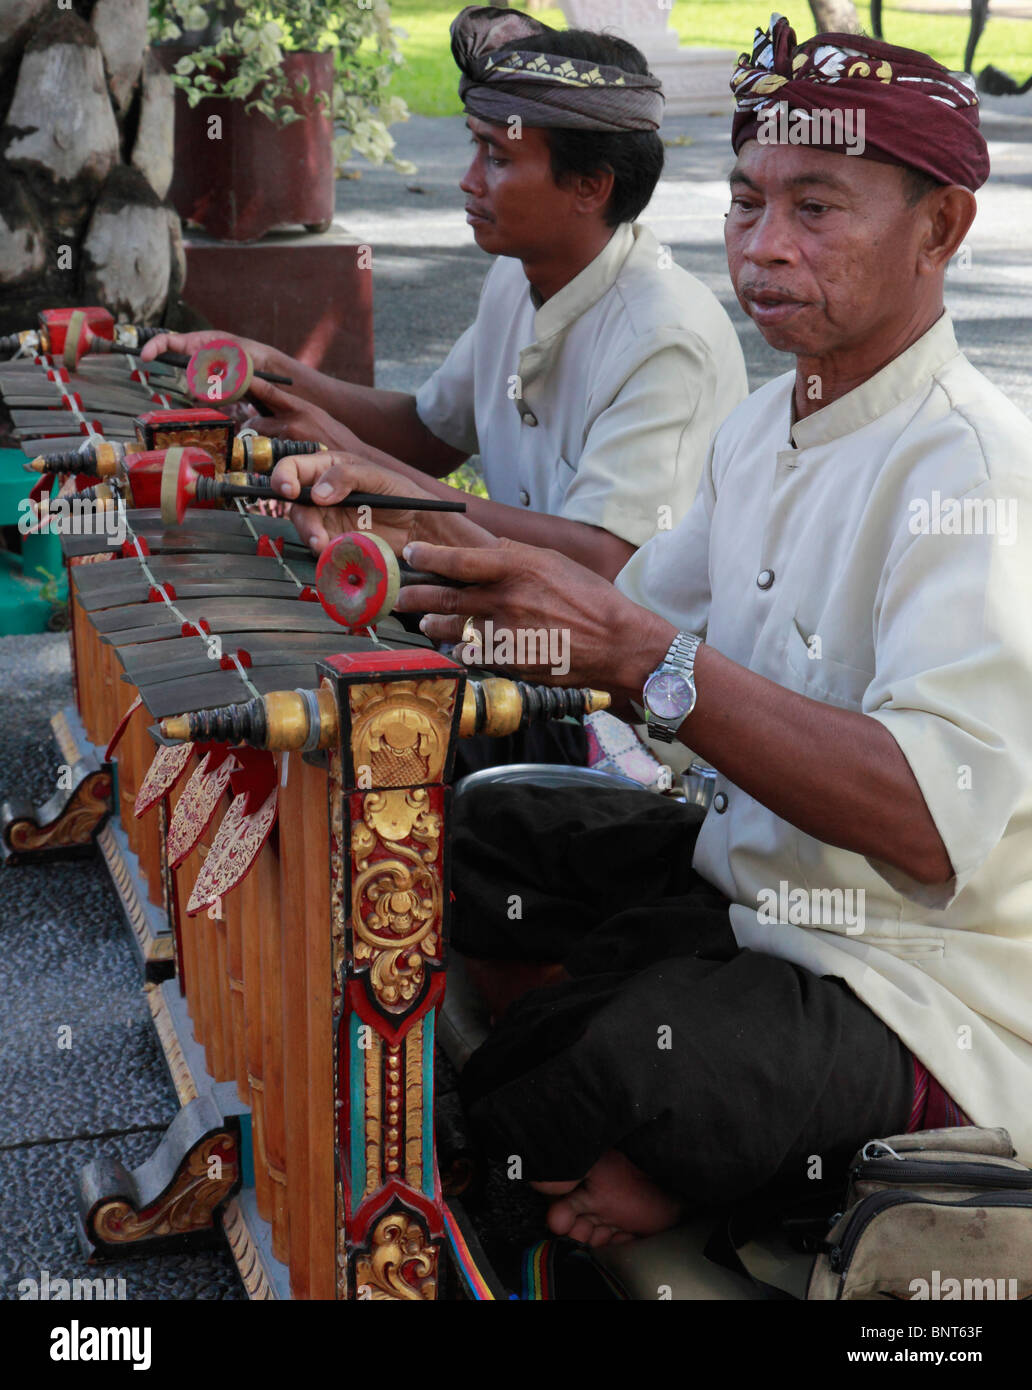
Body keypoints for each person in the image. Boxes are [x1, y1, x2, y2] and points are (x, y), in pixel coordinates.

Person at [283, 17, 1032, 1247]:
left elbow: (920, 820)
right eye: (745, 205)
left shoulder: (975, 470)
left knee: (608, 1072)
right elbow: (618, 628)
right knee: (496, 838)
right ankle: (656, 1130)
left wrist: (648, 663)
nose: (764, 247)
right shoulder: (762, 426)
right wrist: (415, 567)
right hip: (757, 897)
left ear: (939, 230)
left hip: (926, 984)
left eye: (817, 209)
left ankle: (709, 1153)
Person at [143, 5, 747, 583]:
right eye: (473, 145)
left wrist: (362, 465)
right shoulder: (517, 274)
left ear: (590, 187)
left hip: (632, 684)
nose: (467, 179)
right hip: (521, 627)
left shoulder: (665, 339)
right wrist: (267, 371)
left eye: (498, 156)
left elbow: (601, 564)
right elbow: (429, 435)